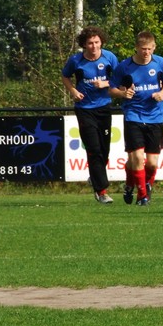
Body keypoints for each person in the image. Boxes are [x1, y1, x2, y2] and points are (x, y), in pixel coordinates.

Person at [109, 31, 163, 207]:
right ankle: (142, 196)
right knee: (137, 157)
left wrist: (162, 93)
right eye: (143, 48)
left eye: (149, 49)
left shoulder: (160, 62)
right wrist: (123, 94)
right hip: (133, 115)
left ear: (154, 47)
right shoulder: (124, 66)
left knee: (151, 164)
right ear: (136, 47)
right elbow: (111, 89)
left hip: (155, 117)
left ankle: (132, 184)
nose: (146, 52)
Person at [60, 25, 119, 204]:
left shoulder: (109, 57)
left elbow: (119, 79)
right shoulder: (76, 60)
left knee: (104, 150)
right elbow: (65, 76)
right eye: (90, 43)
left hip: (104, 108)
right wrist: (73, 91)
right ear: (84, 45)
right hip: (84, 109)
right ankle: (101, 191)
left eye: (97, 42)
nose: (94, 46)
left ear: (101, 42)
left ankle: (94, 177)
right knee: (94, 149)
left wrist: (105, 84)